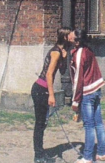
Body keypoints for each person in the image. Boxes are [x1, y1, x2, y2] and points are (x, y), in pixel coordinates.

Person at [31, 26, 72, 163]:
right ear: (65, 37)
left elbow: (63, 71)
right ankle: (38, 156)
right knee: (40, 123)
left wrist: (65, 57)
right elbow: (49, 74)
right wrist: (51, 95)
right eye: (70, 36)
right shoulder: (55, 53)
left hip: (42, 89)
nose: (72, 38)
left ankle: (40, 152)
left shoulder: (60, 52)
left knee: (42, 123)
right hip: (41, 90)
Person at [69, 29, 105, 163]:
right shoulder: (88, 49)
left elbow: (78, 79)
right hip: (96, 89)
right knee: (98, 123)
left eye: (72, 35)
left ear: (77, 41)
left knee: (89, 125)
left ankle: (87, 157)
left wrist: (75, 101)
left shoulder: (80, 53)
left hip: (88, 92)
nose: (69, 35)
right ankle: (102, 153)